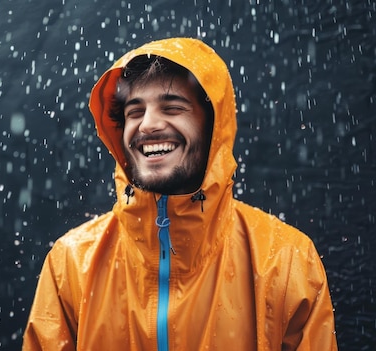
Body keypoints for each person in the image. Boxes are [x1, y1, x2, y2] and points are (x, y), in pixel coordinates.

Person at [23, 37, 338, 350]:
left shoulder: (285, 260)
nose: (148, 125)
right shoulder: (71, 262)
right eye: (135, 111)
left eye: (172, 107)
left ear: (211, 126)